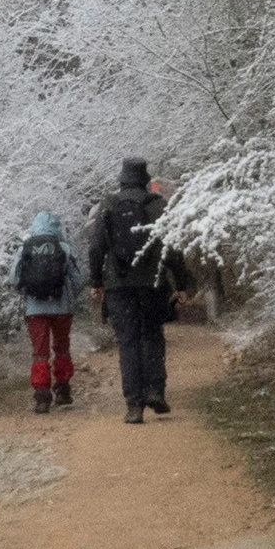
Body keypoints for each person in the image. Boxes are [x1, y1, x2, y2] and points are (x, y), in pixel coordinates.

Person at [86, 157, 192, 425]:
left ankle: (134, 405)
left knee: (128, 342)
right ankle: (155, 391)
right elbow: (171, 248)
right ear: (145, 178)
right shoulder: (157, 204)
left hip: (118, 286)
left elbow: (96, 247)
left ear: (121, 178)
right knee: (152, 336)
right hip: (152, 284)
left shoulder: (108, 204)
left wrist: (96, 281)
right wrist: (182, 284)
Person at [11, 209, 83, 413]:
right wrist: (69, 298)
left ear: (34, 227)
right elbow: (79, 280)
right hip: (62, 308)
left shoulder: (25, 248)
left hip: (35, 310)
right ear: (57, 228)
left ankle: (42, 396)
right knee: (61, 347)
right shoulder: (64, 248)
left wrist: (28, 292)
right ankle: (63, 389)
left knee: (40, 353)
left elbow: (13, 278)